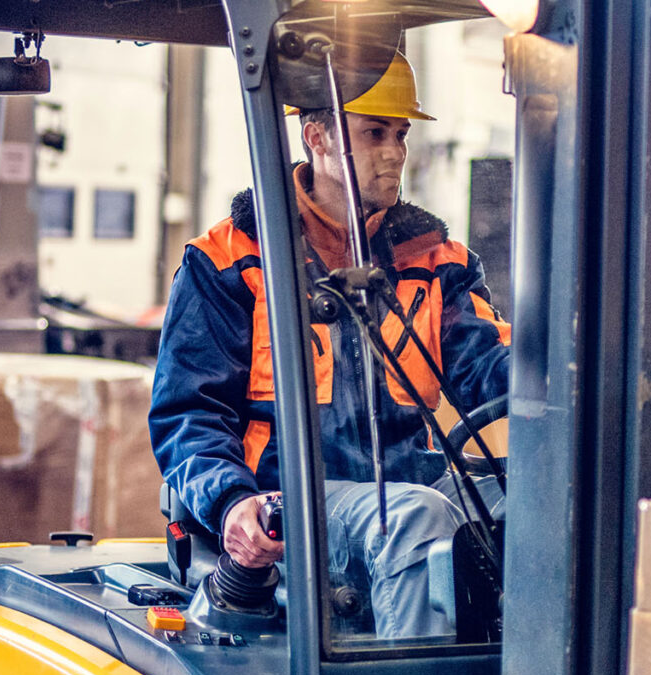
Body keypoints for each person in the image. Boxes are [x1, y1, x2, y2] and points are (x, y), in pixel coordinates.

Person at [150, 53, 511, 639]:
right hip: (287, 496)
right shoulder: (231, 260)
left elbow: (488, 368)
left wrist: (564, 372)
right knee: (413, 520)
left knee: (536, 506)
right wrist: (231, 502)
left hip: (406, 479)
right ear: (316, 136)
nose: (395, 151)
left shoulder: (434, 260)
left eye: (401, 134)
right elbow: (187, 414)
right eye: (374, 133)